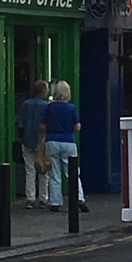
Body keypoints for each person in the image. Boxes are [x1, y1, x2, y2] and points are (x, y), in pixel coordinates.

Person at [41, 80, 89, 213]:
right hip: (68, 141)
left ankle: (55, 202)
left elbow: (44, 125)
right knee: (73, 172)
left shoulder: (50, 107)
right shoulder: (72, 108)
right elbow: (77, 127)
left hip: (52, 141)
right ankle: (79, 198)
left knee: (54, 173)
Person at [18, 80, 50, 209]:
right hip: (42, 141)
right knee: (44, 170)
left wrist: (21, 137)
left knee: (29, 170)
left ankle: (30, 198)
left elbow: (22, 123)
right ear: (43, 91)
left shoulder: (26, 104)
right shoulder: (46, 105)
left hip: (28, 139)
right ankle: (43, 198)